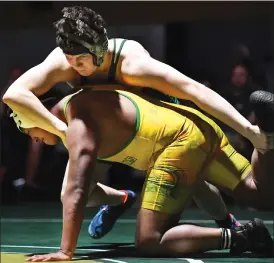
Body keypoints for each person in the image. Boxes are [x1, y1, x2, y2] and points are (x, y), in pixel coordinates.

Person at [8, 85, 274, 261]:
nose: (31, 138)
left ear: (34, 115)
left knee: (149, 241)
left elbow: (77, 190)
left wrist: (66, 251)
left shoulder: (78, 122)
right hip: (196, 126)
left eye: (25, 129)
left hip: (179, 144)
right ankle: (266, 137)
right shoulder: (82, 104)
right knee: (259, 194)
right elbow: (77, 189)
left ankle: (241, 236)